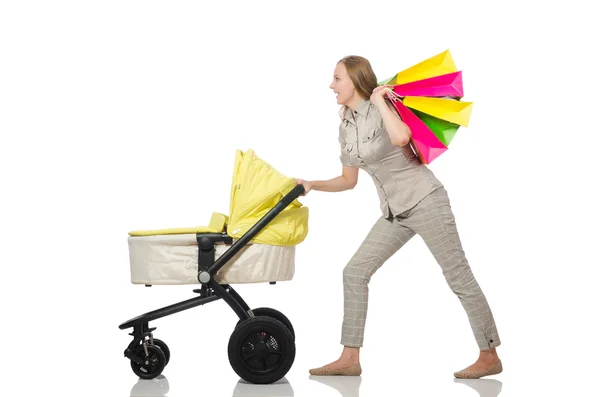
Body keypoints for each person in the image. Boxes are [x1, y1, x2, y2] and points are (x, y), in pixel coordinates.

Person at [297, 55, 502, 379]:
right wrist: (312, 185)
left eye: (337, 79)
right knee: (354, 272)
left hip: (426, 201)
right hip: (394, 213)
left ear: (355, 81)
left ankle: (489, 354)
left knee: (458, 276)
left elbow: (401, 139)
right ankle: (350, 357)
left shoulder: (384, 107)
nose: (331, 85)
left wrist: (379, 101)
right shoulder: (345, 125)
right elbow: (348, 181)